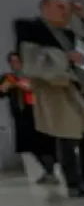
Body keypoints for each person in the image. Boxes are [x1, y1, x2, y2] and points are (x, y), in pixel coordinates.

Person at [15, 0, 84, 197]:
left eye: (68, 8)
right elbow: (31, 58)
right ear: (45, 7)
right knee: (67, 135)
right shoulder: (29, 27)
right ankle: (74, 185)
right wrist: (65, 57)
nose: (65, 12)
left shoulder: (69, 34)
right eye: (60, 7)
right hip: (59, 89)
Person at [2, 52, 58, 184]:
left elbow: (40, 91)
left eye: (17, 61)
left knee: (45, 144)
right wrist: (7, 86)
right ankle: (47, 170)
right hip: (21, 116)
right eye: (12, 62)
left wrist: (25, 86)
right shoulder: (8, 78)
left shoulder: (32, 77)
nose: (15, 64)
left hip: (37, 113)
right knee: (30, 145)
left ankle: (50, 171)